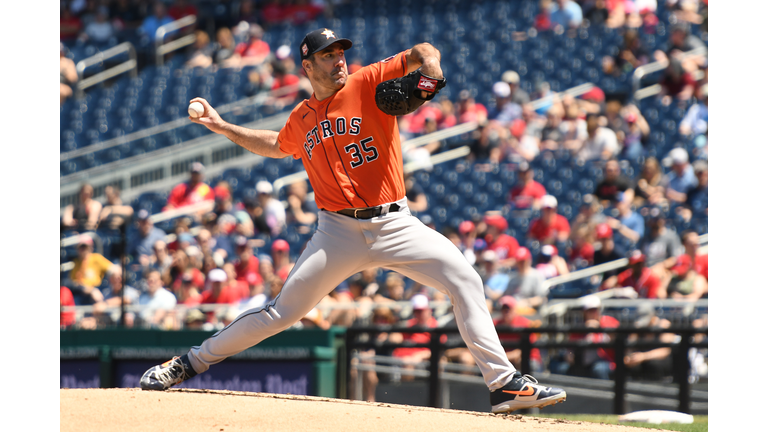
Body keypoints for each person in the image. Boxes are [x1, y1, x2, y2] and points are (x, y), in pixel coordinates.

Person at [140, 28, 566, 413]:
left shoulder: (367, 81)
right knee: (280, 313)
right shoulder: (302, 116)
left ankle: (503, 383)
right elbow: (276, 145)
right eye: (327, 55)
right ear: (307, 67)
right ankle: (187, 363)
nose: (338, 59)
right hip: (337, 232)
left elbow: (422, 50)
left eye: (340, 51)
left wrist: (431, 70)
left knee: (465, 280)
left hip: (395, 223)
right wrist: (221, 126)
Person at [493, 296, 542, 372]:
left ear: (514, 309)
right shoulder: (495, 324)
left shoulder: (524, 323)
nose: (506, 312)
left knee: (520, 360)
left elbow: (522, 352)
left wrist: (504, 357)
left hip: (528, 359)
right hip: (504, 361)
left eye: (509, 309)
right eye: (504, 309)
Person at [69, 235, 110, 305]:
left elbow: (113, 270)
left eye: (85, 247)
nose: (83, 250)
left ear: (91, 247)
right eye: (81, 247)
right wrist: (90, 290)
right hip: (81, 292)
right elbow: (74, 283)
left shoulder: (97, 258)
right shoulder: (76, 263)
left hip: (98, 290)